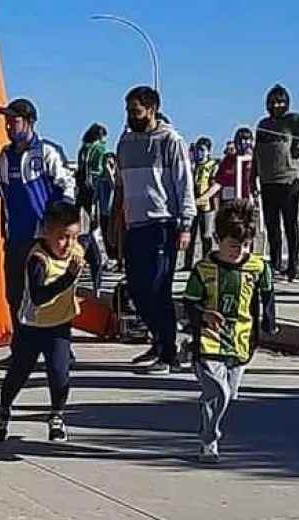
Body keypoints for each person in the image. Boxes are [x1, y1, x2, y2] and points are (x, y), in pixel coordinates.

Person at [182, 199, 277, 463]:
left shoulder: (259, 268)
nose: (240, 251)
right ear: (217, 239)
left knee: (229, 394)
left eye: (245, 246)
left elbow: (267, 295)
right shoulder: (203, 270)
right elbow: (189, 303)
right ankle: (209, 440)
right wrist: (203, 315)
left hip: (241, 340)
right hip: (209, 341)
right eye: (233, 246)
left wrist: (269, 322)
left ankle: (208, 420)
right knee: (218, 391)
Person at [0, 202, 87, 443]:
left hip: (60, 326)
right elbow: (38, 296)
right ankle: (4, 408)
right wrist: (68, 278)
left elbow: (91, 250)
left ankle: (56, 416)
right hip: (31, 326)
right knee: (19, 373)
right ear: (46, 232)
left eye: (74, 236)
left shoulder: (77, 250)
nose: (69, 244)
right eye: (63, 237)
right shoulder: (38, 259)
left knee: (59, 373)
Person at [0, 98, 75, 368]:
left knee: (50, 294)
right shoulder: (5, 155)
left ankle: (60, 348)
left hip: (44, 239)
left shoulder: (47, 152)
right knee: (15, 295)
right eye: (7, 121)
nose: (9, 126)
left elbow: (68, 189)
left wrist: (60, 229)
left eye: (14, 120)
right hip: (15, 238)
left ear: (29, 122)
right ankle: (22, 349)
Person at [117, 86, 195, 375]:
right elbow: (121, 186)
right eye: (127, 111)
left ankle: (169, 353)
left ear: (151, 109)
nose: (130, 116)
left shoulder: (170, 140)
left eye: (135, 111)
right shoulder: (124, 142)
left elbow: (183, 182)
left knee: (158, 288)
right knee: (136, 290)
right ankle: (158, 340)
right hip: (134, 224)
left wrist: (186, 224)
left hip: (162, 223)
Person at [253, 84, 299, 283]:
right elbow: (256, 153)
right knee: (271, 226)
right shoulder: (263, 124)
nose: (276, 105)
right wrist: (252, 177)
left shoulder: (293, 120)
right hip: (267, 182)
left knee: (290, 224)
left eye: (280, 102)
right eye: (272, 102)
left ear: (286, 103)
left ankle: (293, 267)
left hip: (289, 180)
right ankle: (275, 264)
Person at [183, 137, 220, 270]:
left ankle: (207, 262)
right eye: (198, 150)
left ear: (209, 151)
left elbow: (215, 183)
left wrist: (205, 197)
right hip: (193, 204)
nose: (200, 153)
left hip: (207, 205)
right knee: (191, 234)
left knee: (206, 235)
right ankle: (188, 264)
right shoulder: (194, 166)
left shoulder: (213, 166)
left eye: (203, 150)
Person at [209, 128, 256, 205]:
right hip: (230, 202)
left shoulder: (256, 160)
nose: (242, 143)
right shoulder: (228, 160)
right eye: (240, 140)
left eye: (246, 140)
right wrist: (206, 196)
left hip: (250, 202)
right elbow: (219, 181)